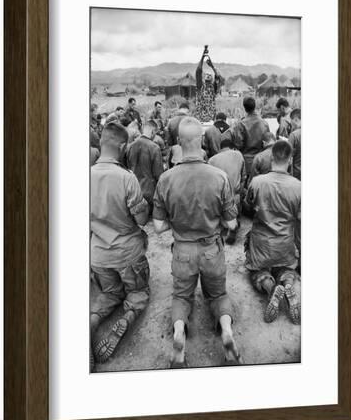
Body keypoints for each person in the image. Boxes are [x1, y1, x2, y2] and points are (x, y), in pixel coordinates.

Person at [153, 116, 242, 367]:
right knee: (218, 294)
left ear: (179, 143)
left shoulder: (166, 179)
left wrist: (178, 223)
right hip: (211, 249)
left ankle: (179, 334)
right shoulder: (219, 176)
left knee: (181, 297)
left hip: (182, 250)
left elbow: (158, 227)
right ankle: (226, 331)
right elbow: (232, 224)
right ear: (201, 140)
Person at [90, 122, 150, 366]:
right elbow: (142, 219)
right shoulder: (127, 178)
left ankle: (92, 321)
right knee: (138, 293)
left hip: (99, 257)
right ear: (123, 146)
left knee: (109, 294)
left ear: (101, 143)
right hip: (128, 254)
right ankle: (128, 317)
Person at [245, 140, 301, 325]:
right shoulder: (298, 186)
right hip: (285, 244)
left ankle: (271, 289)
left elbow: (249, 205)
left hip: (261, 243)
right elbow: (300, 219)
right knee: (287, 270)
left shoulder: (257, 182)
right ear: (290, 160)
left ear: (271, 157)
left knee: (257, 271)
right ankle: (287, 285)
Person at [209, 133, 246, 244]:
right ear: (232, 147)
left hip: (218, 197)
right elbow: (244, 176)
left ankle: (223, 225)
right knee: (236, 204)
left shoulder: (211, 160)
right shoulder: (238, 154)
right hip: (235, 196)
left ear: (220, 149)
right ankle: (233, 224)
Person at [127, 120, 164, 213]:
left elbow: (127, 168)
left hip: (133, 190)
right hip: (150, 192)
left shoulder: (131, 146)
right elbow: (158, 174)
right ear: (153, 132)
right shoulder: (154, 147)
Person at [232, 96, 270, 177]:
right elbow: (268, 142)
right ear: (255, 106)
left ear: (244, 108)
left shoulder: (241, 124)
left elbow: (238, 144)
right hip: (262, 160)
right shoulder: (264, 123)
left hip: (247, 162)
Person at [195, 49, 222, 122]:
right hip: (200, 118)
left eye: (210, 74)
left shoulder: (214, 88)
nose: (208, 75)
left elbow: (218, 77)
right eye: (207, 74)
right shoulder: (200, 86)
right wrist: (202, 57)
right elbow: (198, 72)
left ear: (212, 78)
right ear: (204, 77)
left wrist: (212, 66)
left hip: (211, 118)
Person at [288, 108, 301, 180]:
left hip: (297, 174)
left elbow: (288, 158)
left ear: (295, 119)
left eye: (291, 120)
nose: (290, 123)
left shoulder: (294, 135)